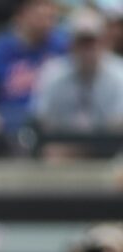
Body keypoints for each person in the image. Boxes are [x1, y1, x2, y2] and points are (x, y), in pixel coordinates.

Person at [0, 0, 67, 142]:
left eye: (50, 16)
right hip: (5, 129)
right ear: (21, 15)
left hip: (52, 128)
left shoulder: (62, 48)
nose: (46, 21)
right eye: (39, 15)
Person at [31, 8, 123, 149]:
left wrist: (82, 149)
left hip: (110, 151)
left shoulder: (119, 73)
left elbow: (118, 126)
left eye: (92, 41)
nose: (87, 49)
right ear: (71, 44)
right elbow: (42, 120)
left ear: (104, 41)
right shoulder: (53, 73)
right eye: (82, 42)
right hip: (61, 150)